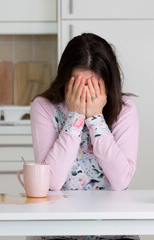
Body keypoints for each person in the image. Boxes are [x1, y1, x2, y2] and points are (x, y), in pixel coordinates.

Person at [30, 33, 139, 239]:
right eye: (79, 85)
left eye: (95, 85)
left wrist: (96, 118)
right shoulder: (43, 107)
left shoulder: (125, 109)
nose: (87, 93)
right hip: (60, 227)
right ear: (65, 80)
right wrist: (76, 116)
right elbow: (52, 182)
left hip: (113, 227)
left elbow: (120, 181)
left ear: (108, 81)